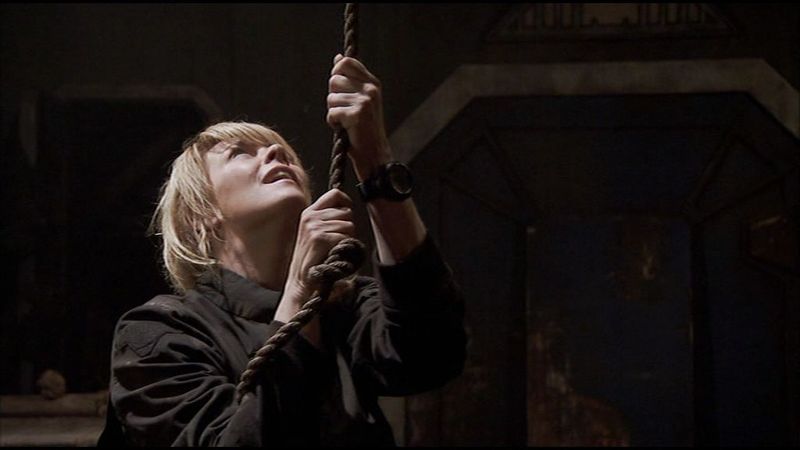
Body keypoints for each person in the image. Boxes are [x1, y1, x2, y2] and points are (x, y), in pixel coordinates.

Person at [97, 54, 466, 446]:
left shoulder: (345, 305)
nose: (275, 153)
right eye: (240, 152)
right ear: (201, 214)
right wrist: (300, 288)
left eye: (283, 152)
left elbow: (433, 356)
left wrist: (375, 161)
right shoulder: (159, 332)